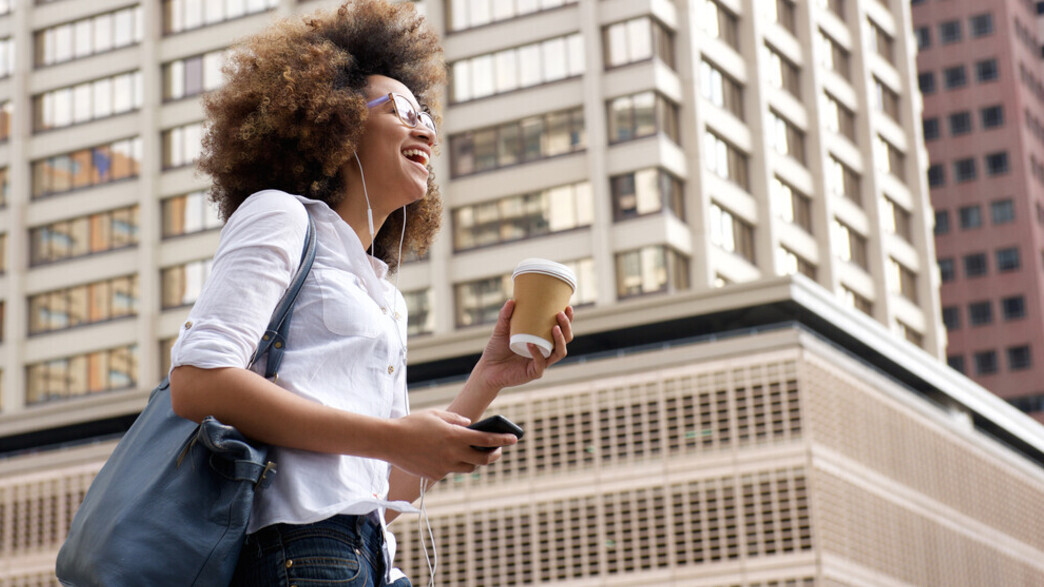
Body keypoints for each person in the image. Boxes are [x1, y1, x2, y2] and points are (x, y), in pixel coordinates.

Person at [167, 1, 574, 585]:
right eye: (401, 111)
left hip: (368, 560)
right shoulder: (280, 216)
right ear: (334, 122)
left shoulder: (385, 297)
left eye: (425, 115)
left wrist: (488, 378)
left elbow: (382, 496)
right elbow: (197, 382)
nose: (425, 129)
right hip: (303, 554)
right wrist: (393, 438)